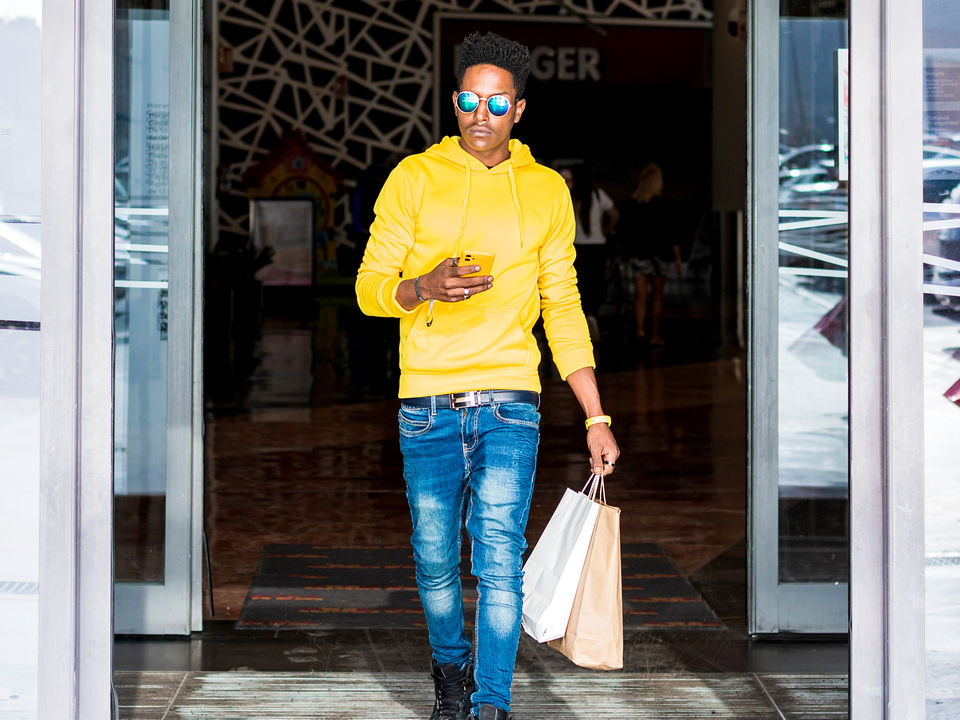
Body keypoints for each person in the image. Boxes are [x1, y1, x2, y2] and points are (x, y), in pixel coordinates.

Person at [355, 31, 620, 720]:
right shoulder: (414, 178)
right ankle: (451, 669)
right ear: (454, 102)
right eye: (470, 100)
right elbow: (369, 287)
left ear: (519, 110)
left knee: (499, 558)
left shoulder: (546, 191)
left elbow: (564, 308)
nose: (482, 113)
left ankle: (491, 704)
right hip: (427, 403)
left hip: (509, 401)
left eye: (498, 102)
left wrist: (595, 415)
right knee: (435, 558)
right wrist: (422, 287)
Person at [619, 162, 683, 346]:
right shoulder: (665, 205)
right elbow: (673, 235)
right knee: (657, 296)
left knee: (640, 296)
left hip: (639, 255)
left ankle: (640, 330)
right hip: (660, 256)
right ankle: (654, 335)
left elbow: (624, 233)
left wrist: (623, 258)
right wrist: (678, 258)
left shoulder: (632, 204)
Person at [569, 162, 618, 338]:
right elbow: (614, 214)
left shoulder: (571, 195)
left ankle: (581, 319)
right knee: (596, 284)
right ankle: (593, 316)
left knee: (579, 284)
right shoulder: (598, 194)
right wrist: (607, 230)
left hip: (576, 246)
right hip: (598, 246)